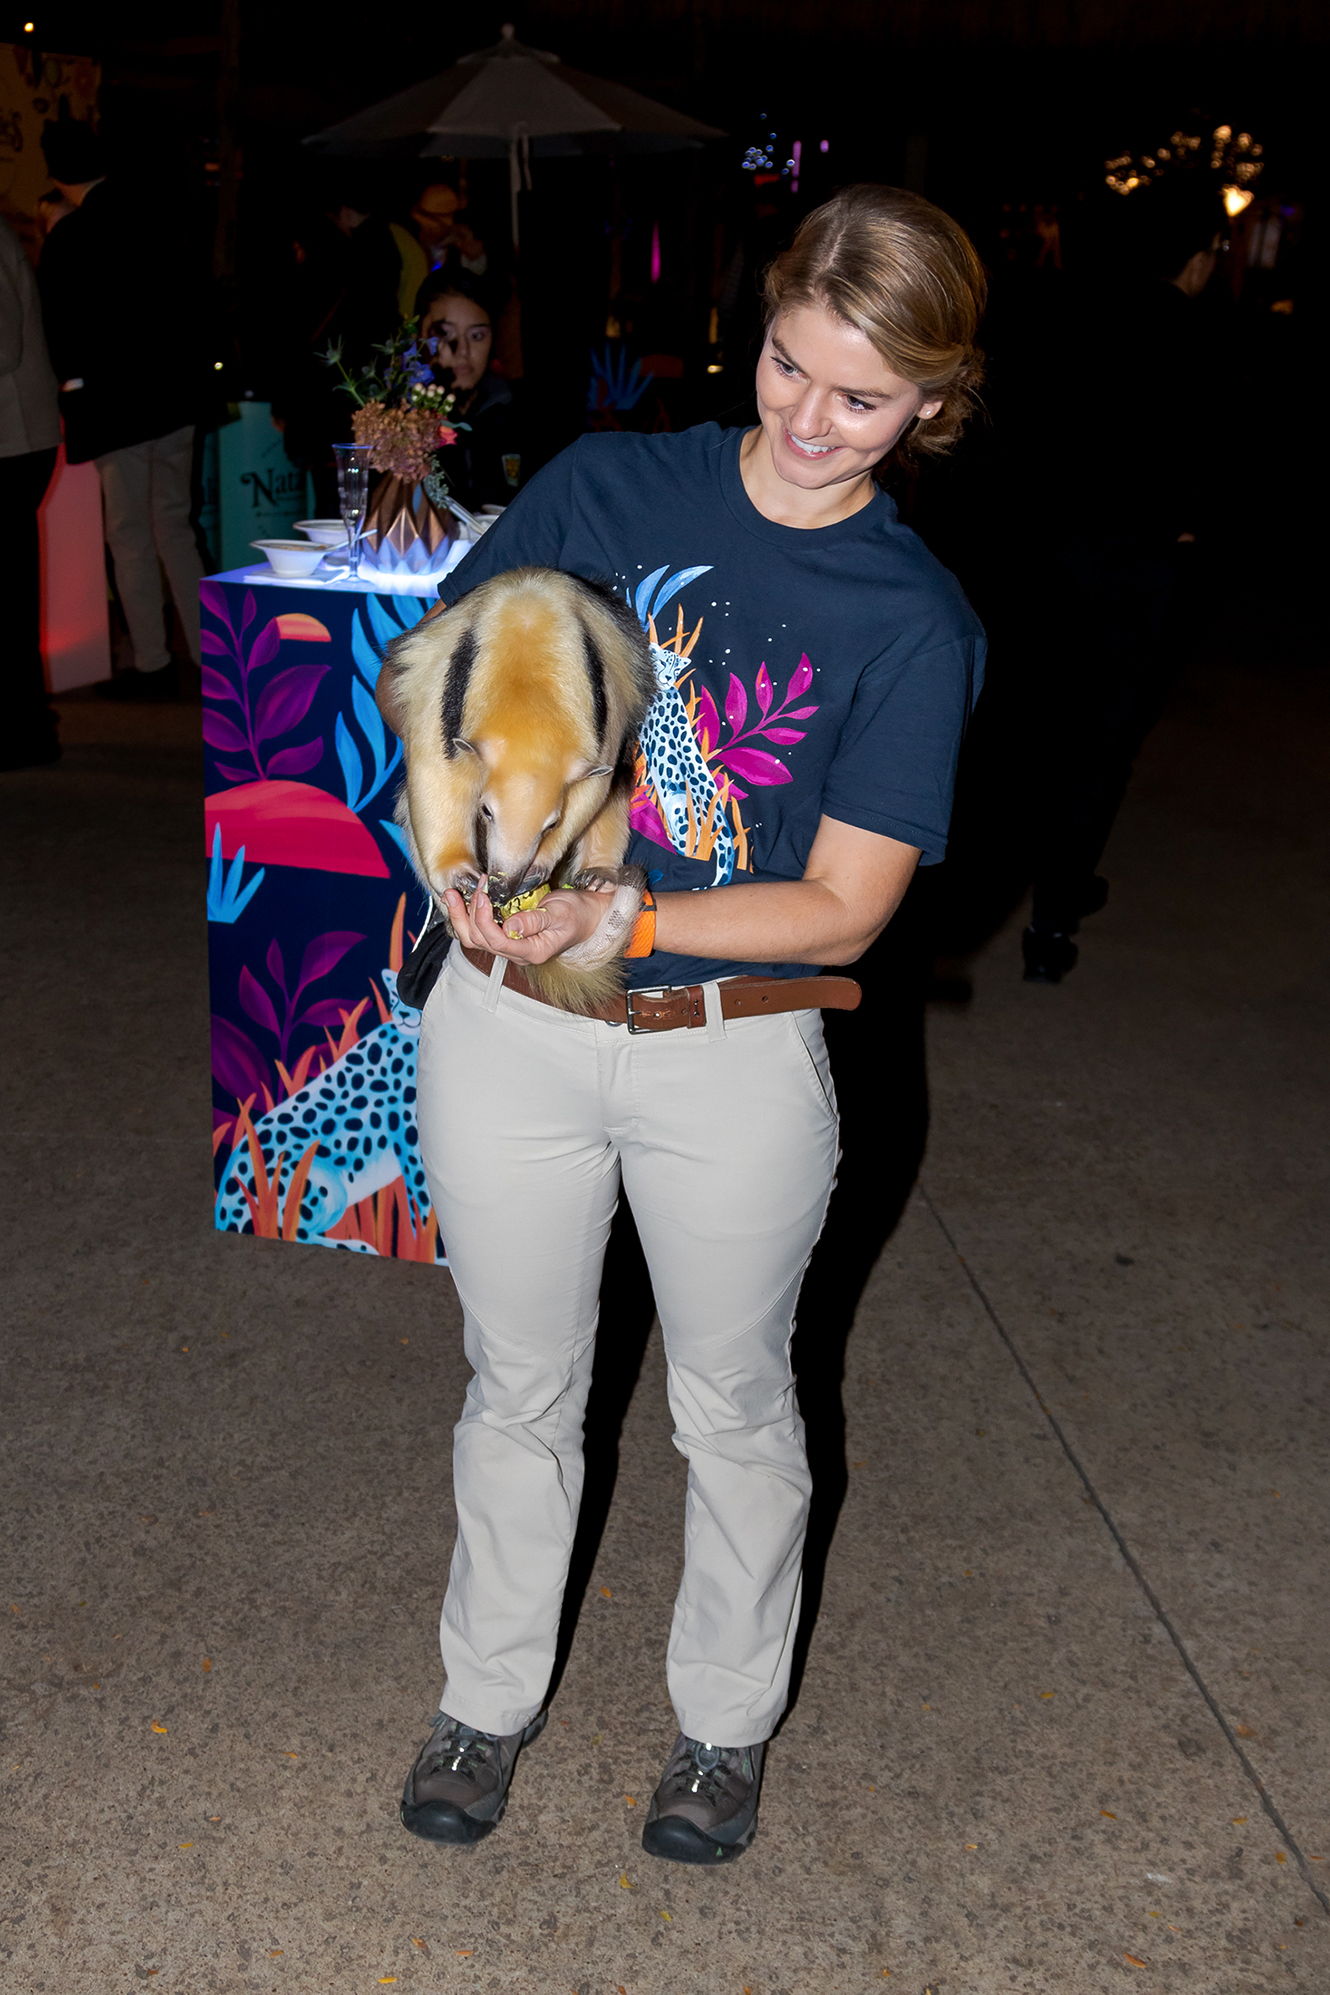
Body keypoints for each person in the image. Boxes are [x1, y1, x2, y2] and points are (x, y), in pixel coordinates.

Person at [394, 184, 987, 1864]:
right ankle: (483, 1697)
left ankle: (721, 1730)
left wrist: (627, 917)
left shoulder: (914, 619)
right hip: (506, 1026)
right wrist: (453, 848)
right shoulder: (608, 481)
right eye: (790, 367)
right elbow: (451, 658)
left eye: (861, 398)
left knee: (733, 1404)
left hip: (728, 1050)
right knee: (517, 1387)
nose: (809, 422)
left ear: (930, 404)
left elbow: (848, 902)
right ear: (764, 330)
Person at [1015, 180, 1227, 982]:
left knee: (1039, 726)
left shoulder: (1073, 316)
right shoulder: (1199, 337)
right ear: (1201, 256)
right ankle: (1054, 920)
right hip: (1140, 564)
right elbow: (1215, 461)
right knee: (1101, 742)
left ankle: (1026, 882)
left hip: (1055, 554)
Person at [38, 119, 207, 700]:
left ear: (57, 175)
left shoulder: (71, 237)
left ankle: (154, 663)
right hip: (176, 400)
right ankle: (212, 653)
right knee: (176, 528)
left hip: (118, 409)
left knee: (130, 535)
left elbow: (60, 332)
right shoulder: (156, 216)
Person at [0, 213, 61, 770]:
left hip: (13, 440)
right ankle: (25, 726)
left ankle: (24, 728)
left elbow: (4, 346)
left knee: (12, 591)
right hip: (17, 438)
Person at [416, 269, 522, 512]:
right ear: (417, 337)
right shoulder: (392, 421)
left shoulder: (516, 413)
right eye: (444, 334)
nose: (462, 350)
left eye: (476, 336)